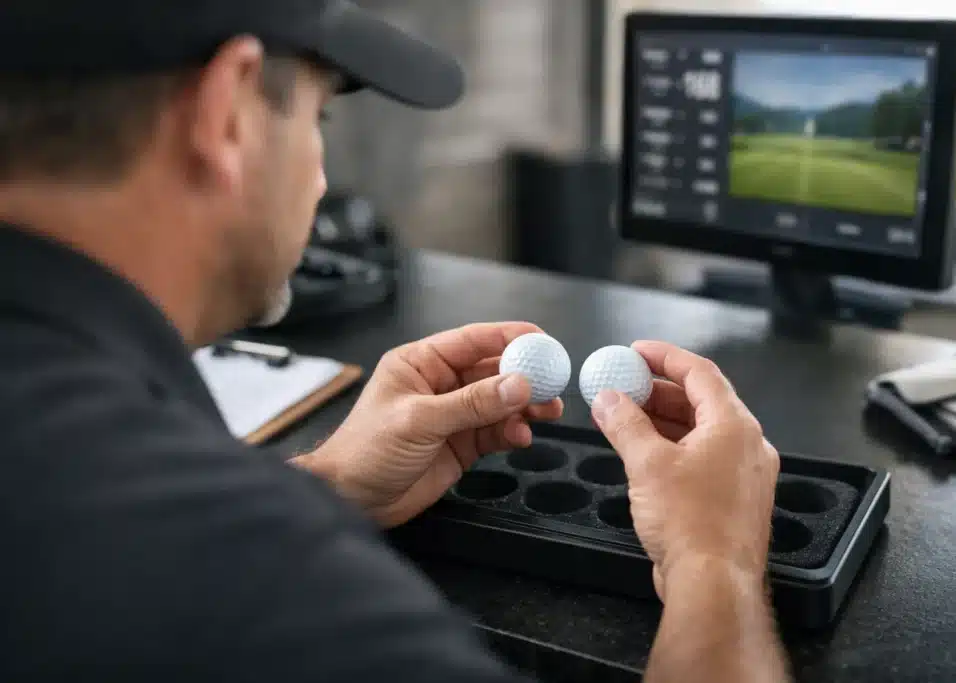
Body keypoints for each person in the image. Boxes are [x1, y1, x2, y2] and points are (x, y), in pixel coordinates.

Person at [0, 1, 788, 681]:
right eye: (319, 117)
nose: (320, 177)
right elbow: (187, 562)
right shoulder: (250, 579)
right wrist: (712, 563)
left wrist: (328, 483)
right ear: (227, 113)